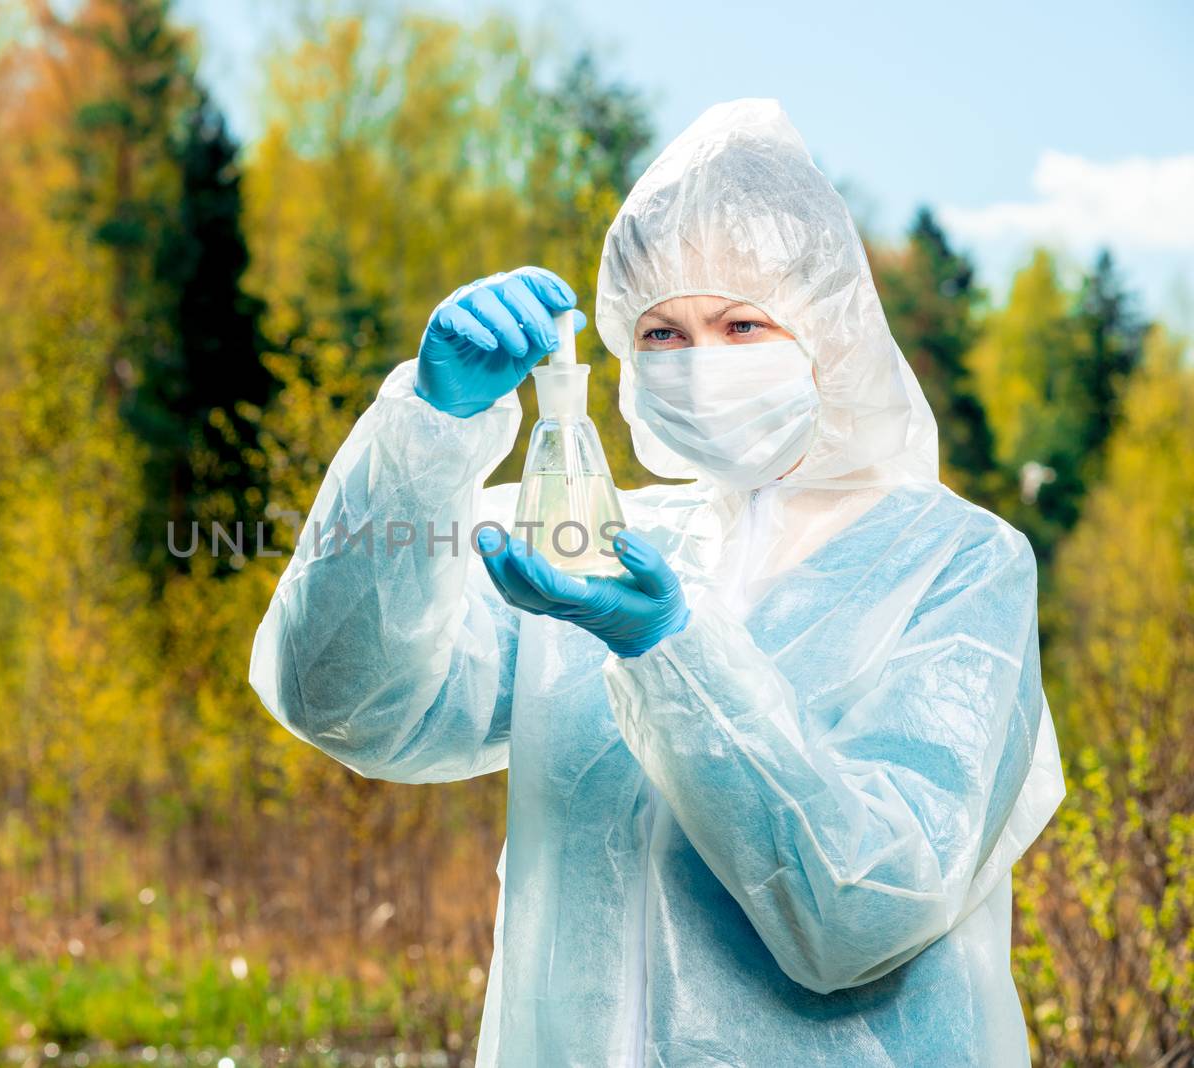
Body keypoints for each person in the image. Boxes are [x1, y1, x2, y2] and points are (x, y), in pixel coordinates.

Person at [249, 98, 1063, 1066]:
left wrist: (669, 651)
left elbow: (865, 910)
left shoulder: (956, 564)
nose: (699, 363)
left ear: (829, 331)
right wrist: (426, 431)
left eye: (741, 323)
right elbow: (347, 702)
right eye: (661, 334)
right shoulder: (587, 540)